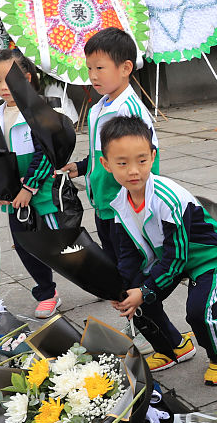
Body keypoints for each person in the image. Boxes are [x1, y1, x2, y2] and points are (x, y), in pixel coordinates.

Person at [101, 116, 217, 386]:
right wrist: (124, 290)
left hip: (206, 255)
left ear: (153, 156)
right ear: (106, 164)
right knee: (137, 303)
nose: (133, 171)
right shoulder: (120, 203)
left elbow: (179, 257)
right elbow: (127, 254)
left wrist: (146, 290)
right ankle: (174, 348)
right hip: (169, 257)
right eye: (122, 163)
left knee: (199, 311)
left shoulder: (166, 197)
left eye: (141, 160)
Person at [61, 28, 159, 262]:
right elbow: (103, 154)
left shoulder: (131, 111)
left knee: (132, 265)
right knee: (114, 260)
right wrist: (83, 167)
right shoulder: (99, 108)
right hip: (104, 204)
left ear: (125, 68)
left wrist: (142, 207)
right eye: (89, 69)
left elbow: (148, 161)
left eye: (100, 68)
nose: (93, 76)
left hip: (125, 209)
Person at [0, 49, 60, 319]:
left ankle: (98, 278)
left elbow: (47, 152)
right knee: (24, 244)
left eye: (9, 79)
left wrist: (29, 187)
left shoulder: (38, 110)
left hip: (40, 192)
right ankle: (47, 291)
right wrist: (0, 187)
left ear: (27, 78)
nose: (3, 87)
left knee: (57, 243)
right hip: (14, 196)